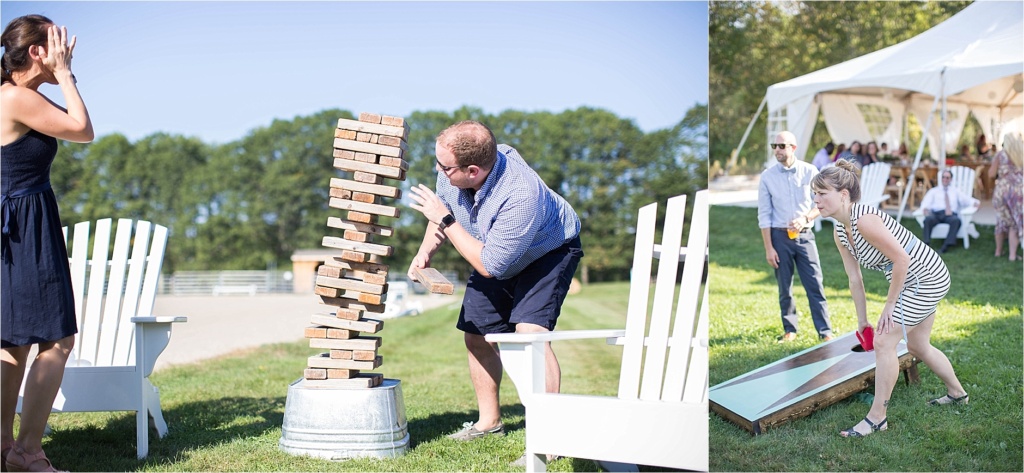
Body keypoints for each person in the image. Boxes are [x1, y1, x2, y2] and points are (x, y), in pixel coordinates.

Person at [406, 121, 582, 451]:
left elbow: (489, 265)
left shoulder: (521, 194)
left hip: (548, 250)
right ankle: (489, 423)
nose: (438, 172)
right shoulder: (452, 171)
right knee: (476, 330)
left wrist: (445, 219)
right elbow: (444, 215)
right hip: (494, 248)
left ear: (472, 171)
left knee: (530, 335)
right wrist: (424, 253)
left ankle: (551, 437)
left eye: (444, 167)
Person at [812, 160, 968, 438]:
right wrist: (862, 320)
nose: (816, 199)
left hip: (925, 277)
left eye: (822, 193)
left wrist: (890, 305)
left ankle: (877, 418)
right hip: (910, 280)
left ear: (843, 195)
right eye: (815, 193)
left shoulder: (863, 220)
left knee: (885, 341)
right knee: (918, 346)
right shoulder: (840, 230)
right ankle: (957, 393)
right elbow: (855, 279)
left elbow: (902, 258)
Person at [1, 15, 93, 472]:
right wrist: (66, 76)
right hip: (24, 227)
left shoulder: (15, 96)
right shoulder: (18, 97)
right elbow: (82, 128)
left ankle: (4, 450)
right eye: (55, 39)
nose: (65, 46)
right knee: (58, 340)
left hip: (12, 225)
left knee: (11, 341)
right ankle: (28, 452)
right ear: (37, 51)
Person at [758, 131, 833, 342]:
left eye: (781, 146)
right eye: (775, 146)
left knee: (815, 284)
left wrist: (806, 218)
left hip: (805, 236)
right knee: (785, 287)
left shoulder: (810, 171)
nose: (777, 150)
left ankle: (825, 331)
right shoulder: (767, 177)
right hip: (779, 237)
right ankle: (790, 329)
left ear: (793, 148)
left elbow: (822, 203)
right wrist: (768, 248)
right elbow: (764, 215)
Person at [918, 169, 978, 254]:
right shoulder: (934, 191)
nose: (945, 179)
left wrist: (975, 202)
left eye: (947, 177)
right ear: (941, 178)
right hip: (937, 214)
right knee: (928, 220)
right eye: (943, 177)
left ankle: (946, 246)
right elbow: (926, 202)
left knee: (956, 221)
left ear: (951, 179)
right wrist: (924, 208)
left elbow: (965, 199)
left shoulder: (955, 191)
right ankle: (926, 244)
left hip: (950, 215)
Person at [989, 132, 1023, 261]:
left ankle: (998, 252)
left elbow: (991, 174)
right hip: (1018, 192)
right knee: (1014, 223)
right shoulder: (1021, 154)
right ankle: (1012, 256)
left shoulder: (1000, 155)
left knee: (1000, 221)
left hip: (1002, 191)